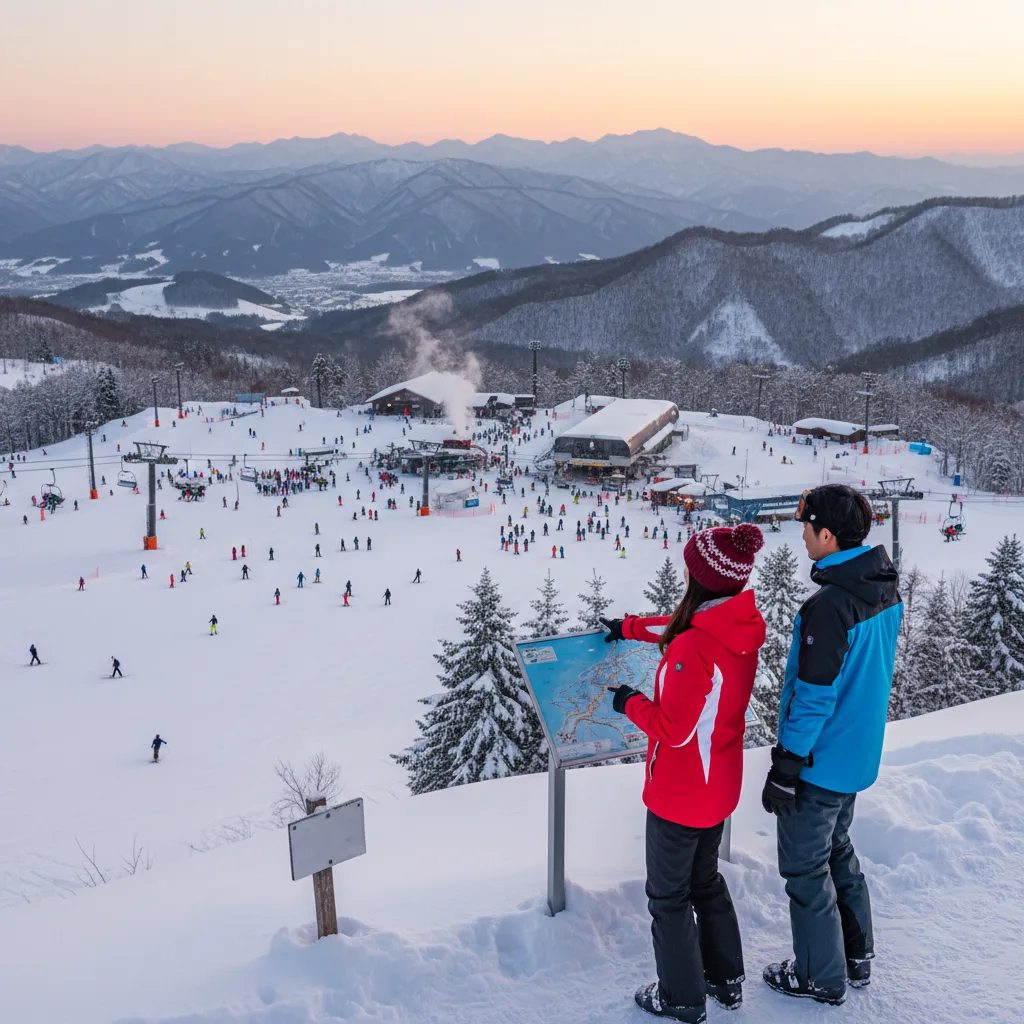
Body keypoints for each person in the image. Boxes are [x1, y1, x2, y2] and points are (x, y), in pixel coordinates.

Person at [602, 523, 766, 1022]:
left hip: (680, 795)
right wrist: (629, 627)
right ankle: (725, 979)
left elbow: (672, 730)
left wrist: (630, 703)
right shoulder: (737, 623)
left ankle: (682, 997)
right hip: (718, 787)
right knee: (706, 881)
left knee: (668, 898)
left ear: (700, 579)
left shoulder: (693, 648)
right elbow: (681, 625)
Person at [760, 484, 901, 1006]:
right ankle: (855, 955)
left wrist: (787, 765)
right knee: (838, 851)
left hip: (821, 762)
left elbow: (815, 697)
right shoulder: (881, 585)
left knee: (804, 867)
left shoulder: (832, 605)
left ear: (827, 534)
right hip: (856, 754)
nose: (800, 537)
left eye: (806, 528)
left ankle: (821, 975)